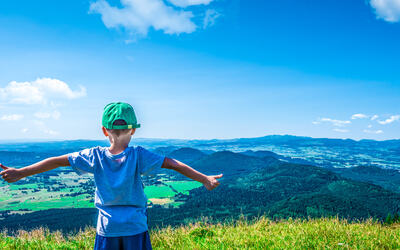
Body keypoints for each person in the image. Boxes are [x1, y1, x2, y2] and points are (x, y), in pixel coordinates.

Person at [0, 101, 223, 250]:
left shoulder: (94, 156)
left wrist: (21, 173)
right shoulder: (139, 155)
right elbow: (173, 164)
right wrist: (204, 178)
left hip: (107, 229)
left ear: (104, 130)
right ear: (133, 130)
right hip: (135, 226)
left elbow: (58, 160)